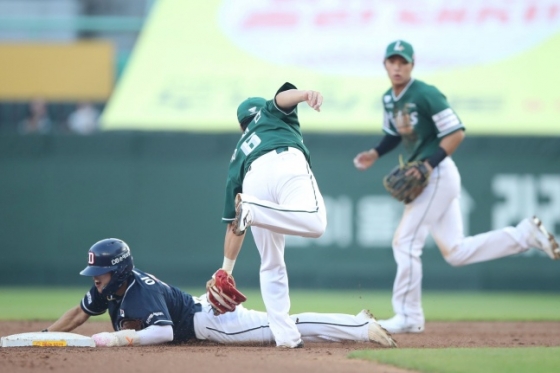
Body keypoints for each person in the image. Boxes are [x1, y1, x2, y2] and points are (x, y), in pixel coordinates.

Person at [353, 40, 559, 334]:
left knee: (405, 241)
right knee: (456, 252)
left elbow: (456, 132)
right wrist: (375, 153)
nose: (397, 67)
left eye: (403, 62)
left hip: (435, 173)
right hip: (430, 175)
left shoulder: (426, 94)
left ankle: (409, 315)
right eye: (392, 61)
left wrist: (427, 165)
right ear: (385, 64)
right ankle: (524, 235)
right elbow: (392, 134)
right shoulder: (390, 99)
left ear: (412, 64)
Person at [42, 238, 397, 348]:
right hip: (201, 314)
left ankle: (359, 326)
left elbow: (164, 331)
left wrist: (121, 340)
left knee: (283, 327)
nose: (95, 280)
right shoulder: (110, 288)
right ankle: (355, 327)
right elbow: (79, 313)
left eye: (99, 273)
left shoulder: (138, 289)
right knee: (282, 326)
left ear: (117, 270)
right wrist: (44, 336)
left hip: (212, 324)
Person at [213, 82, 328, 349]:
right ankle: (255, 210)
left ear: (243, 125)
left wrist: (225, 271)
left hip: (252, 179)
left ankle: (286, 337)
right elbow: (281, 98)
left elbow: (234, 225)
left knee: (271, 262)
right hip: (285, 162)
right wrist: (304, 94)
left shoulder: (237, 153)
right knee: (316, 223)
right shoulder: (270, 113)